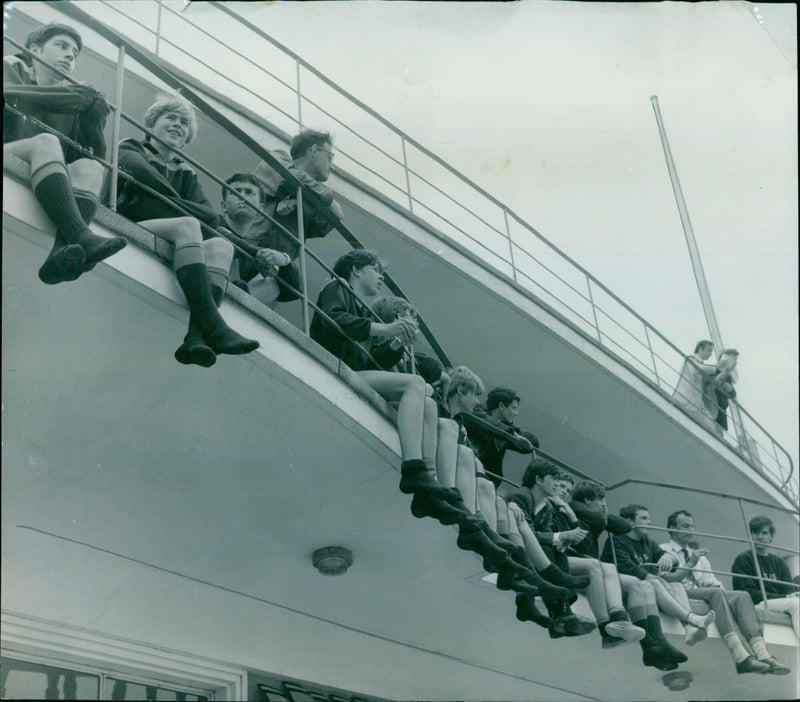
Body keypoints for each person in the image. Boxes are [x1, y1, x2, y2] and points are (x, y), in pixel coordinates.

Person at [112, 95, 259, 367]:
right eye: (170, 118)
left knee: (221, 246)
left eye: (183, 123)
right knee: (190, 223)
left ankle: (195, 337)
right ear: (152, 124)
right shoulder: (132, 146)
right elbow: (144, 179)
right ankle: (214, 324)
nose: (178, 125)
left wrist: (167, 202)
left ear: (186, 137)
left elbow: (212, 217)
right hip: (131, 223)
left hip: (170, 232)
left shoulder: (185, 171)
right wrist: (185, 207)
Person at [4, 22, 127, 284]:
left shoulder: (72, 101)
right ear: (35, 49)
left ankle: (60, 254)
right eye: (61, 46)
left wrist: (95, 119)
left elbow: (88, 155)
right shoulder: (12, 65)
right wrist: (71, 98)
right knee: (47, 142)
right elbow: (10, 97)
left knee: (91, 168)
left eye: (74, 52)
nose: (70, 55)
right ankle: (81, 235)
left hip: (41, 164)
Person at [570, 483, 692, 671]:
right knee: (635, 578)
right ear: (587, 500)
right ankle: (655, 643)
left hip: (598, 571)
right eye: (601, 501)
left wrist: (600, 516)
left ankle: (654, 644)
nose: (604, 505)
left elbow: (624, 525)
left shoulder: (597, 518)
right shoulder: (570, 510)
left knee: (640, 585)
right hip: (581, 569)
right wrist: (589, 513)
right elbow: (625, 549)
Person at [660, 510, 785, 674]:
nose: (690, 530)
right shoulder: (663, 550)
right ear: (672, 528)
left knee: (741, 596)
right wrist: (692, 564)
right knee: (715, 594)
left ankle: (762, 653)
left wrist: (727, 598)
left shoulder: (699, 556)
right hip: (679, 593)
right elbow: (665, 580)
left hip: (702, 592)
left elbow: (712, 582)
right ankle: (740, 656)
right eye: (685, 526)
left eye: (692, 526)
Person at [238, 129, 344, 290]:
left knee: (282, 287)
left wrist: (297, 202)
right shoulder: (277, 157)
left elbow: (336, 216)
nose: (332, 166)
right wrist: (324, 194)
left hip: (276, 264)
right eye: (329, 157)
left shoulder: (312, 195)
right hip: (248, 249)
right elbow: (287, 177)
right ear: (314, 150)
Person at [601, 504, 715, 652]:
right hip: (627, 589)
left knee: (676, 585)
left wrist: (668, 557)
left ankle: (689, 629)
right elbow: (628, 568)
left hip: (648, 588)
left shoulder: (647, 541)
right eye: (644, 518)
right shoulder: (617, 541)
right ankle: (692, 618)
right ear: (629, 521)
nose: (649, 522)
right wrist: (656, 578)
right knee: (654, 581)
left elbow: (666, 559)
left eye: (649, 518)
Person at [548, 477, 645, 649]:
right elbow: (579, 542)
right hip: (558, 562)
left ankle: (619, 618)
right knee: (596, 566)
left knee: (617, 572)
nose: (563, 491)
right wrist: (574, 513)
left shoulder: (573, 511)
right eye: (560, 486)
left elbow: (624, 527)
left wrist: (600, 517)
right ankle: (605, 628)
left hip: (579, 562)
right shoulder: (555, 509)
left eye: (567, 489)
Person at [506, 460, 597, 638]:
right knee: (548, 547)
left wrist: (560, 541)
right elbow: (529, 534)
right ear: (538, 480)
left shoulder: (547, 507)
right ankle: (560, 616)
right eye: (553, 479)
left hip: (530, 554)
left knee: (557, 551)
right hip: (514, 548)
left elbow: (545, 533)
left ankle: (563, 614)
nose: (557, 484)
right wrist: (561, 536)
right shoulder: (519, 498)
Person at [217, 173, 300, 307]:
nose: (242, 196)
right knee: (224, 243)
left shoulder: (255, 245)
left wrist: (285, 261)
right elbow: (221, 233)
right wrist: (260, 255)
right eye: (235, 192)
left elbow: (296, 290)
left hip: (235, 304)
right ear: (224, 205)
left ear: (261, 209)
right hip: (210, 284)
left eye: (249, 192)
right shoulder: (214, 221)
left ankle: (238, 303)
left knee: (274, 282)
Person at [732, 515, 799, 640]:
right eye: (755, 532)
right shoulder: (744, 559)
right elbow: (748, 594)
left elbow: (788, 590)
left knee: (796, 602)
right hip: (755, 605)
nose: (760, 537)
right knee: (796, 604)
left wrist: (786, 597)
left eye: (764, 533)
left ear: (771, 537)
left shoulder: (779, 562)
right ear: (751, 535)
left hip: (778, 604)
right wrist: (784, 597)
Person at [462, 387, 539, 490]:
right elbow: (488, 423)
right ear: (502, 406)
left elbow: (533, 443)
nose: (516, 413)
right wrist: (512, 435)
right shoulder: (475, 412)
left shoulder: (507, 429)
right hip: (467, 470)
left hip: (488, 481)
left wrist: (514, 435)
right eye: (514, 408)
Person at [672, 340, 719, 430]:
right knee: (710, 427)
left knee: (712, 426)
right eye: (709, 350)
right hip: (685, 400)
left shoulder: (698, 363)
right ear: (700, 349)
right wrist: (717, 369)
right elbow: (698, 368)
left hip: (695, 404)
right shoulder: (691, 358)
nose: (710, 354)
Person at [705, 349, 739, 437]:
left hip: (721, 407)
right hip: (709, 405)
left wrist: (730, 389)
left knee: (719, 435)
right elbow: (710, 381)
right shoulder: (712, 370)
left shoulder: (728, 377)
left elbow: (733, 394)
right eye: (732, 360)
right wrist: (721, 384)